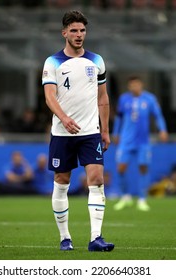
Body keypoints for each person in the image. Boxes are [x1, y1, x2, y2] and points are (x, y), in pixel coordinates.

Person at [42, 10, 114, 252]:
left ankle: (96, 238)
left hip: (90, 133)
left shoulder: (97, 61)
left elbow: (102, 98)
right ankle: (65, 238)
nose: (79, 34)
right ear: (64, 33)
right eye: (73, 30)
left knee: (96, 180)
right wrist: (64, 117)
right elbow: (49, 97)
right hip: (63, 133)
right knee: (62, 182)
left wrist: (105, 130)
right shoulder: (52, 62)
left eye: (82, 30)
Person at [112, 76, 168, 211]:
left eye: (137, 85)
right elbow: (119, 118)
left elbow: (158, 115)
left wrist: (163, 130)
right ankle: (125, 197)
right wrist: (115, 133)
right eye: (132, 85)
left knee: (143, 167)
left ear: (141, 85)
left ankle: (142, 199)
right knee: (121, 168)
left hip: (143, 141)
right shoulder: (124, 99)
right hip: (126, 140)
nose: (135, 87)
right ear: (129, 86)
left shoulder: (149, 99)